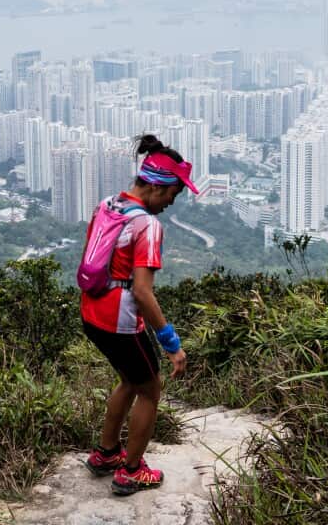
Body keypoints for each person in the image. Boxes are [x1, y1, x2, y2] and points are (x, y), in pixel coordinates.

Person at [80, 133, 197, 496]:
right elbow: (143, 292)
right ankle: (131, 471)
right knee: (150, 388)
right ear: (158, 188)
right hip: (120, 323)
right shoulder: (147, 225)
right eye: (173, 195)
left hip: (91, 312)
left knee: (130, 379)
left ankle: (106, 453)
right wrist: (171, 344)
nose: (170, 204)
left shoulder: (107, 204)